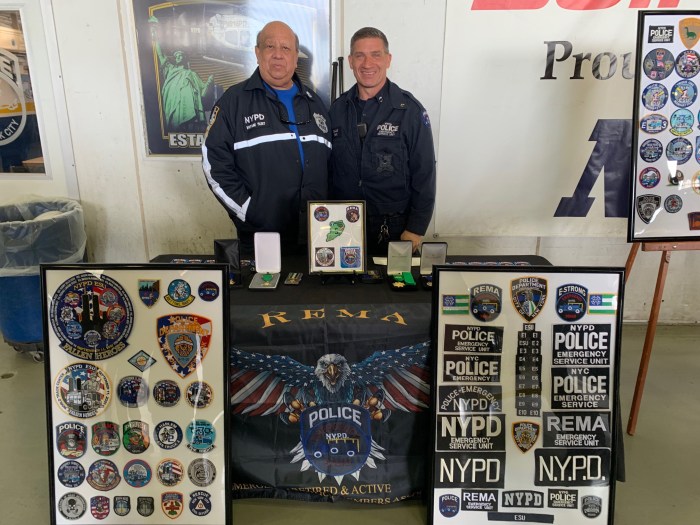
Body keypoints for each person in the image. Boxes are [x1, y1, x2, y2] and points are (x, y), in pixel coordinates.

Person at [202, 21, 331, 256]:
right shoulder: (233, 102)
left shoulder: (316, 104)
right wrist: (249, 211)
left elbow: (331, 166)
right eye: (270, 46)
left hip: (317, 235)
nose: (278, 55)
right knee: (265, 292)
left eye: (286, 48)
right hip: (261, 236)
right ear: (257, 53)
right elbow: (214, 166)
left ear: (295, 56)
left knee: (315, 294)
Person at [329, 27, 436, 255]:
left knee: (391, 290)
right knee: (341, 290)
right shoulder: (337, 110)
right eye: (360, 55)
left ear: (388, 59)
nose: (367, 63)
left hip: (394, 228)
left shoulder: (409, 111)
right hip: (342, 226)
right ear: (350, 61)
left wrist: (416, 228)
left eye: (376, 54)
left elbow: (425, 172)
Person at [149, 16, 214, 132]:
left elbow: (203, 94)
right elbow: (160, 54)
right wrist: (154, 34)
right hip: (174, 107)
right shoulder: (170, 69)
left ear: (185, 58)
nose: (178, 57)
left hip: (191, 113)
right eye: (176, 56)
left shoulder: (192, 74)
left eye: (181, 55)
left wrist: (209, 82)